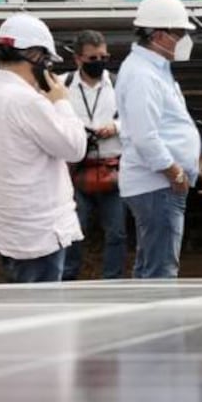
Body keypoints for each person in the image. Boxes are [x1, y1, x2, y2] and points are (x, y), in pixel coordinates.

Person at [0, 13, 87, 283]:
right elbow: (75, 147)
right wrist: (61, 101)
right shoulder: (28, 102)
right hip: (41, 236)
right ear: (35, 56)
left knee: (23, 314)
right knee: (44, 321)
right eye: (48, 61)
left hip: (7, 235)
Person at [117, 0, 202, 279]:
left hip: (157, 185)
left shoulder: (154, 69)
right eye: (179, 33)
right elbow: (145, 136)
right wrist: (175, 173)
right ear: (158, 35)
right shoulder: (144, 74)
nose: (183, 40)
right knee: (160, 271)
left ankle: (143, 321)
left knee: (151, 266)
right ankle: (157, 321)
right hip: (157, 185)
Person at [61, 30, 127, 281]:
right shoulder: (62, 85)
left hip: (113, 169)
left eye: (103, 56)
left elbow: (136, 118)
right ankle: (67, 280)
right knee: (74, 230)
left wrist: (116, 128)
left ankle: (113, 282)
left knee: (117, 232)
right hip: (75, 170)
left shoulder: (119, 84)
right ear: (78, 59)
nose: (99, 62)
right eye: (92, 58)